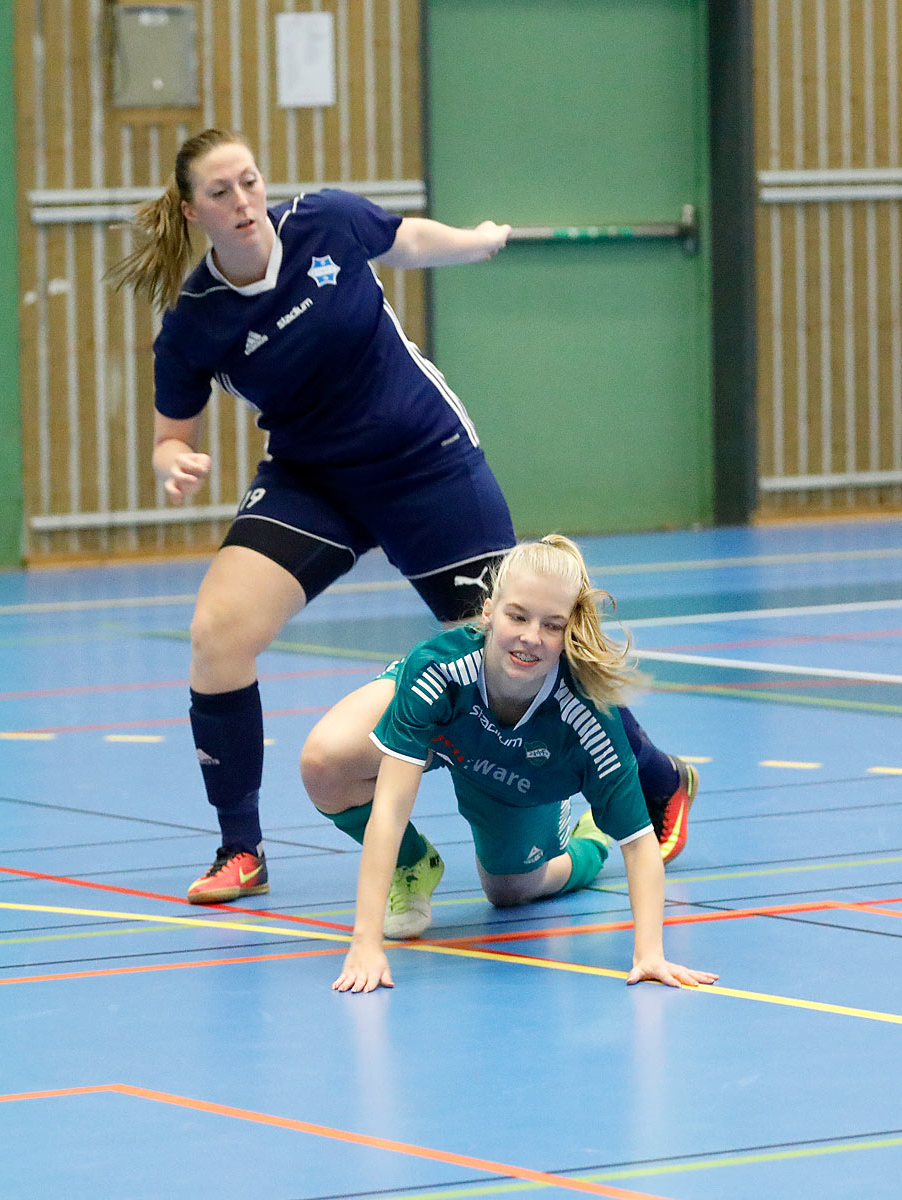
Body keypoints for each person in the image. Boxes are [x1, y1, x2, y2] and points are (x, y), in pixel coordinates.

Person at [108, 129, 697, 905]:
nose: (244, 201)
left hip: (424, 459)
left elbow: (404, 238)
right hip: (313, 480)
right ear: (192, 211)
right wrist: (168, 462)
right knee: (217, 633)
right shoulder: (195, 324)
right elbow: (169, 432)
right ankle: (241, 848)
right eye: (222, 192)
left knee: (523, 634)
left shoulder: (323, 222)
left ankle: (658, 779)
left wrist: (474, 242)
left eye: (250, 182)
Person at [302, 536, 718, 993]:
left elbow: (639, 845)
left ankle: (586, 838)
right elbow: (390, 809)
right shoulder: (438, 672)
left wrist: (649, 954)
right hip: (447, 730)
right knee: (325, 762)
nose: (530, 637)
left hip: (515, 776)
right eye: (517, 616)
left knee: (510, 891)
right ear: (487, 612)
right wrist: (365, 942)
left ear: (569, 633)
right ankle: (414, 864)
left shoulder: (588, 719)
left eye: (552, 625)